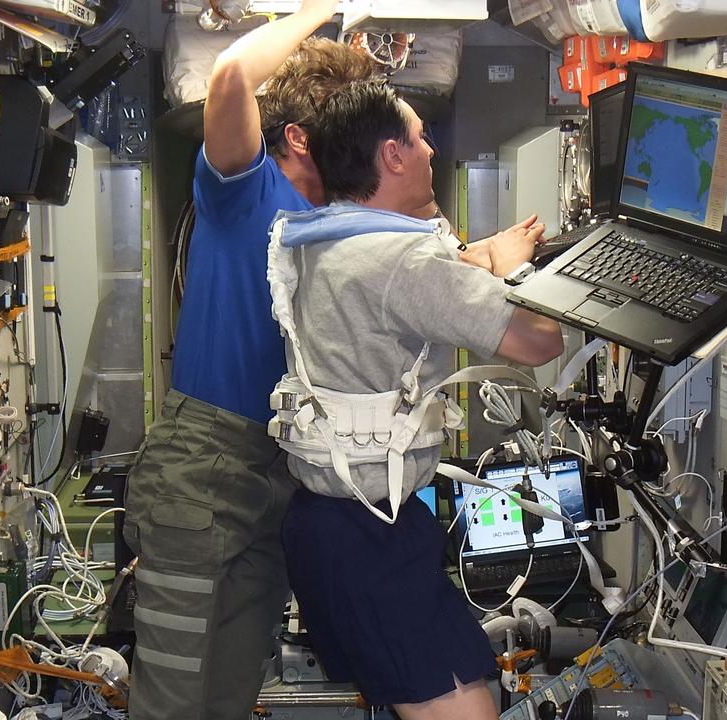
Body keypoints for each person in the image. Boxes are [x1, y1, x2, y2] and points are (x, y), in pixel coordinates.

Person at [268, 80, 565, 720]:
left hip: (329, 531)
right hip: (371, 541)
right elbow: (540, 341)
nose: (431, 148)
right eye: (420, 136)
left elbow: (418, 283)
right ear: (392, 156)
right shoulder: (404, 260)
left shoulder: (323, 238)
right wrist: (526, 275)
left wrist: (480, 259)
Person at [121, 3, 377, 718]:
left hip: (274, 479)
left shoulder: (337, 226)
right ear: (297, 137)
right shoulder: (244, 189)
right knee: (171, 705)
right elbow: (231, 74)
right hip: (198, 474)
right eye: (347, 130)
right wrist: (321, 11)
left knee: (227, 699)